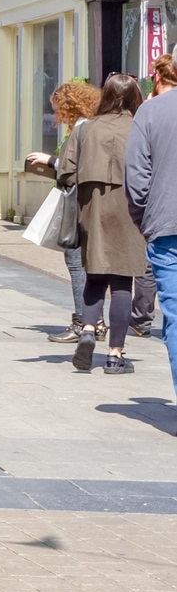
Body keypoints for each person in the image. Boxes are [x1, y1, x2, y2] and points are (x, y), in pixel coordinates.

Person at [59, 74, 147, 374]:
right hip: (130, 210)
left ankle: (87, 329)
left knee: (95, 276)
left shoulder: (85, 129)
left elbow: (65, 173)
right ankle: (115, 354)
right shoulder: (139, 127)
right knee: (123, 281)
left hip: (91, 210)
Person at [26, 78, 104, 344]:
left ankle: (84, 322)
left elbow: (75, 167)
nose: (57, 114)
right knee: (87, 263)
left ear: (70, 106)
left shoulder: (83, 127)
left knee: (76, 261)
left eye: (59, 108)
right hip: (93, 203)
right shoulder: (95, 125)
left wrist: (49, 160)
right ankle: (94, 321)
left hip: (79, 205)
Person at [126, 55, 177, 397]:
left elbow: (136, 175)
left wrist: (145, 217)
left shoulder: (151, 110)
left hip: (167, 225)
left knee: (174, 316)